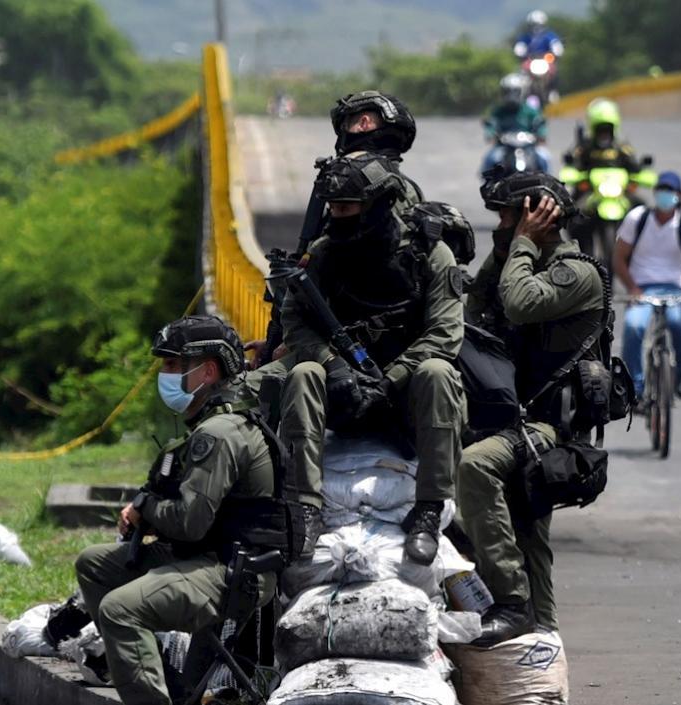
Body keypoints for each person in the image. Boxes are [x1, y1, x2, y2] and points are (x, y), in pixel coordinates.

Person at [74, 315, 301, 705]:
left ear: (208, 371)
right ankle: (163, 683)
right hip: (206, 557)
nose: (164, 374)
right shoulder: (210, 422)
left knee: (118, 609)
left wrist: (144, 507)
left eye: (173, 365)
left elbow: (189, 523)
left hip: (232, 572)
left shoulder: (219, 432)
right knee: (92, 563)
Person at [277, 153, 466, 565]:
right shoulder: (325, 256)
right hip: (343, 391)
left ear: (377, 204)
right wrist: (333, 364)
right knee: (303, 373)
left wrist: (390, 380)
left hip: (405, 396)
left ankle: (429, 510)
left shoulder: (429, 255)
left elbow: (446, 334)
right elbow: (293, 320)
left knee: (439, 373)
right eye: (332, 208)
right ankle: (306, 508)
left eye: (346, 207)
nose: (336, 216)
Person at [459, 171, 604, 645]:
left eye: (507, 217)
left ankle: (512, 603)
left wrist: (519, 245)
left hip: (549, 430)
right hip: (511, 420)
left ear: (536, 217)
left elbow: (520, 304)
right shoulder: (517, 263)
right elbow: (475, 311)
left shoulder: (576, 273)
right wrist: (504, 253)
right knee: (529, 535)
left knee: (475, 469)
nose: (501, 226)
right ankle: (542, 649)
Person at [248, 90, 424, 368]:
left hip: (358, 343)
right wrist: (281, 340)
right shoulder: (402, 189)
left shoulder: (384, 192)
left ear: (364, 122)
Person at [613, 171, 681, 399]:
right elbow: (618, 257)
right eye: (662, 190)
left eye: (670, 191)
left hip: (673, 287)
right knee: (634, 327)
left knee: (679, 324)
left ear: (679, 195)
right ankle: (634, 387)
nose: (665, 196)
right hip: (642, 287)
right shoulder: (637, 218)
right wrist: (632, 287)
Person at [481, 74, 550, 175]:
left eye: (515, 92)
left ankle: (549, 185)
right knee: (491, 158)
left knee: (544, 157)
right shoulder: (498, 111)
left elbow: (540, 123)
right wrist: (491, 134)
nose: (511, 96)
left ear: (522, 91)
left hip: (529, 147)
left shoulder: (531, 111)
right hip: (503, 147)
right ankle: (488, 186)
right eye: (507, 92)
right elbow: (491, 124)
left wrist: (541, 134)